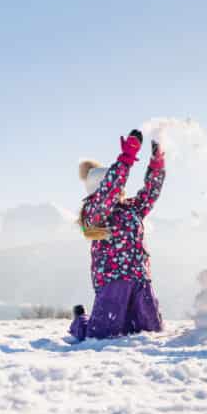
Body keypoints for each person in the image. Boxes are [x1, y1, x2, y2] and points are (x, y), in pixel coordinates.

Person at [68, 129, 166, 340]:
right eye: (116, 187)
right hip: (114, 283)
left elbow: (150, 192)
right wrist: (127, 159)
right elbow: (109, 192)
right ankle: (80, 321)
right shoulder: (95, 214)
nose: (120, 190)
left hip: (140, 280)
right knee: (98, 335)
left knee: (152, 331)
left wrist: (156, 164)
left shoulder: (132, 208)